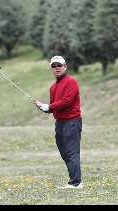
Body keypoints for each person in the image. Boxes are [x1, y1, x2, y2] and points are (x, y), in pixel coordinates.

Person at [34, 55, 83, 189]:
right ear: (51, 69)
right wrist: (43, 107)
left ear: (65, 67)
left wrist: (48, 106)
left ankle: (76, 183)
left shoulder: (71, 82)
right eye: (54, 66)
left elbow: (66, 102)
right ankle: (74, 179)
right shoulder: (53, 87)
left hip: (72, 122)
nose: (57, 68)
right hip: (60, 123)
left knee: (72, 152)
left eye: (59, 65)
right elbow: (54, 107)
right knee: (64, 152)